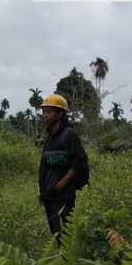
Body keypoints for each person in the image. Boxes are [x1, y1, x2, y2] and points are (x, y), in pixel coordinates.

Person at [38, 94, 88, 245]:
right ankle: (60, 259)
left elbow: (78, 163)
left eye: (49, 112)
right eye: (44, 112)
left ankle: (70, 260)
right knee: (55, 232)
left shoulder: (69, 135)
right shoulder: (49, 137)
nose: (45, 115)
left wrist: (62, 183)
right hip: (48, 193)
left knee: (68, 230)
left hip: (64, 194)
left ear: (60, 114)